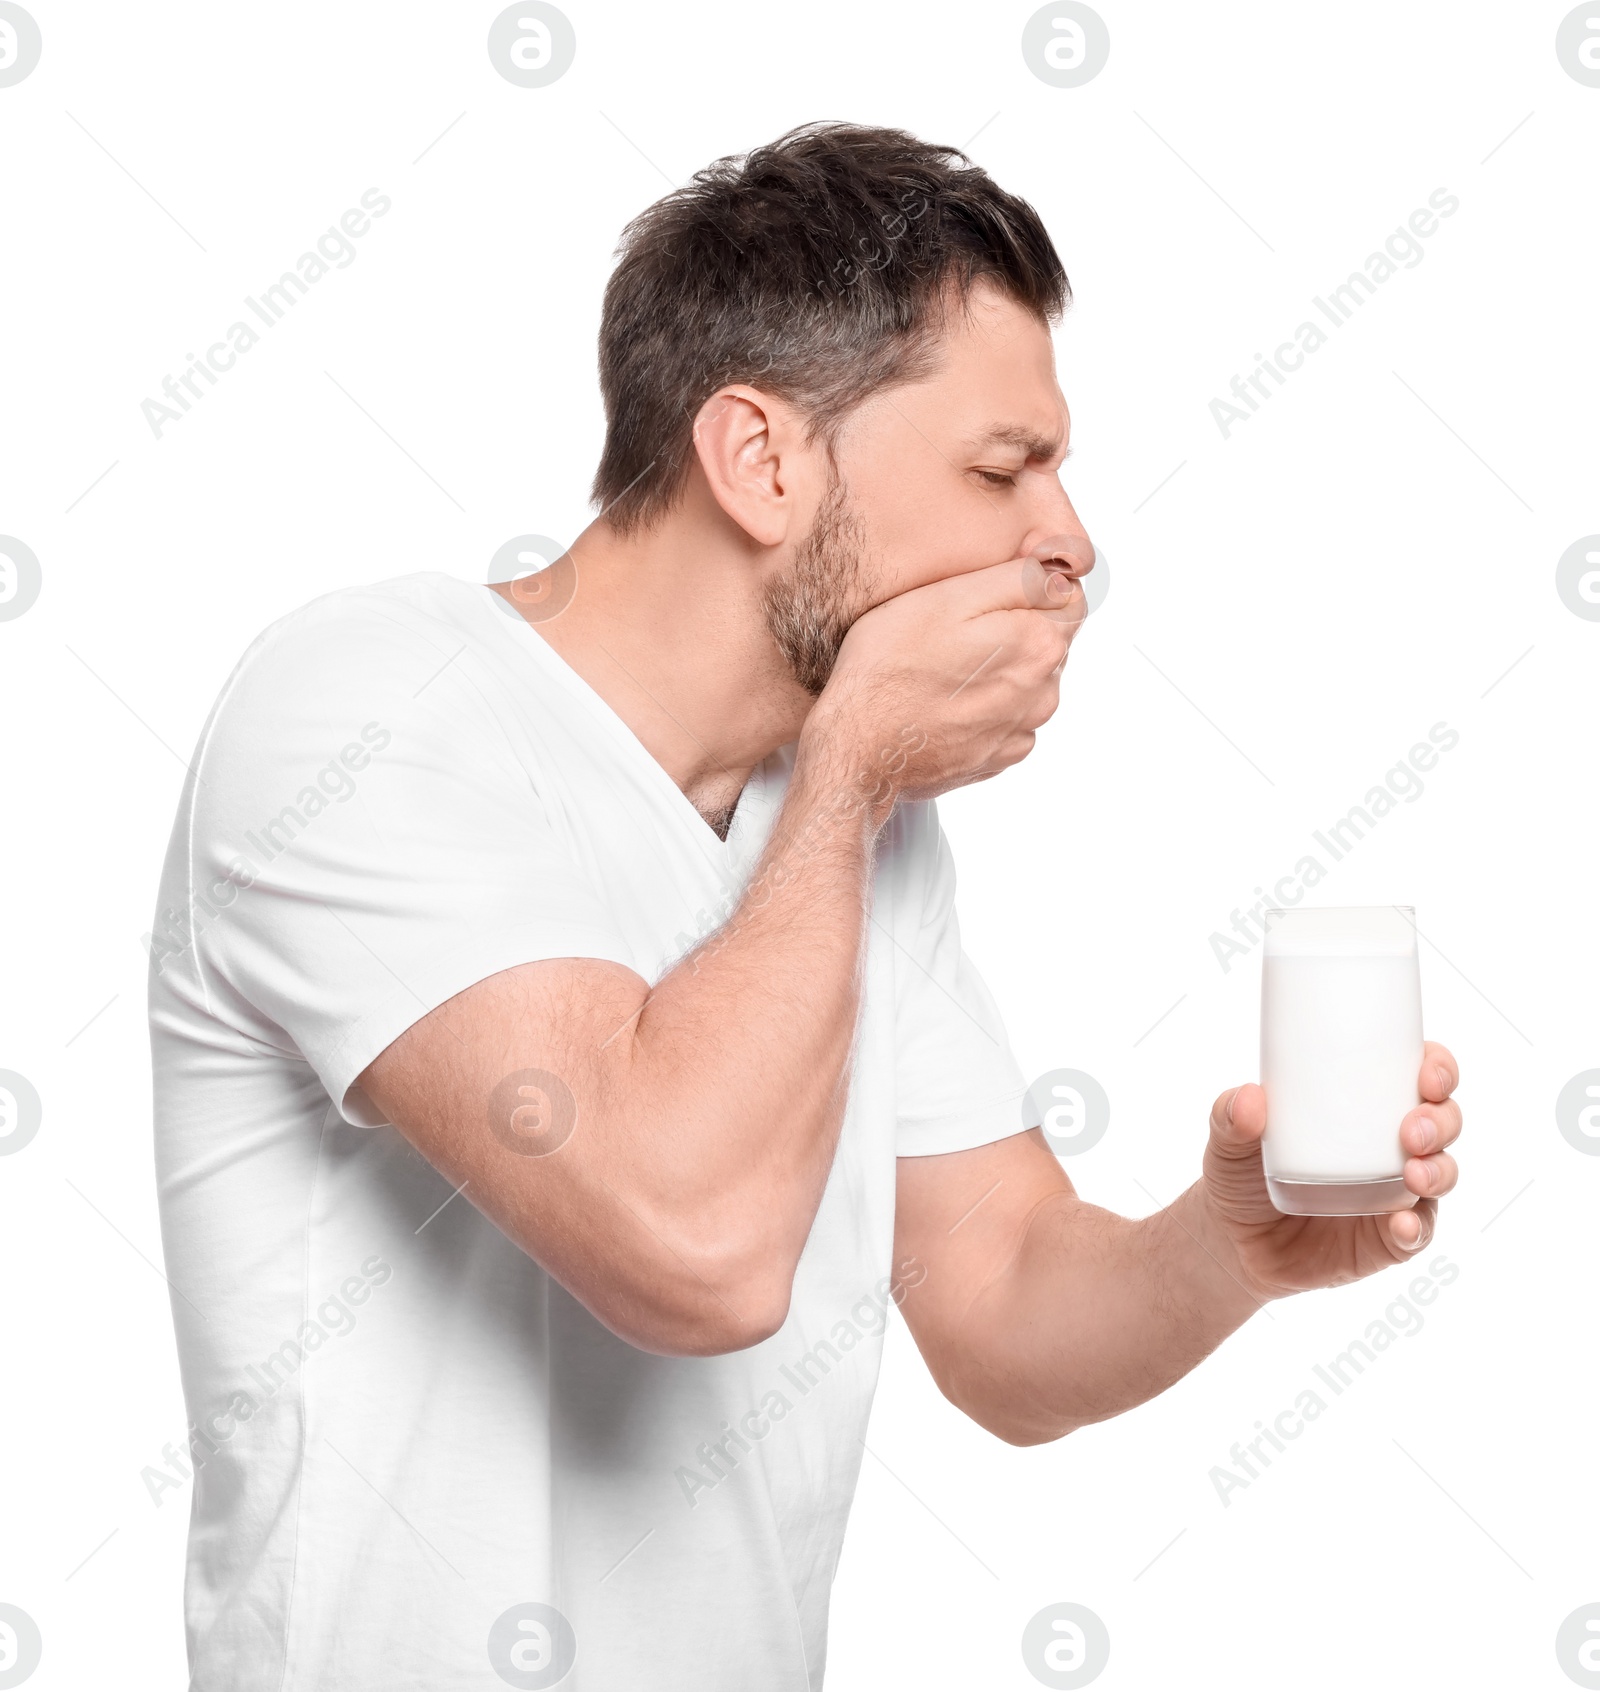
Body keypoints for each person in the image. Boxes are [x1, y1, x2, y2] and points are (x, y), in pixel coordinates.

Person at [148, 122, 1462, 1691]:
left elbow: (1007, 1318)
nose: (1073, 542)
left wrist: (1234, 1245)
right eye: (1003, 469)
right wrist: (847, 780)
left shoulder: (842, 822)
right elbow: (693, 1250)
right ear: (761, 460)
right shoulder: (369, 704)